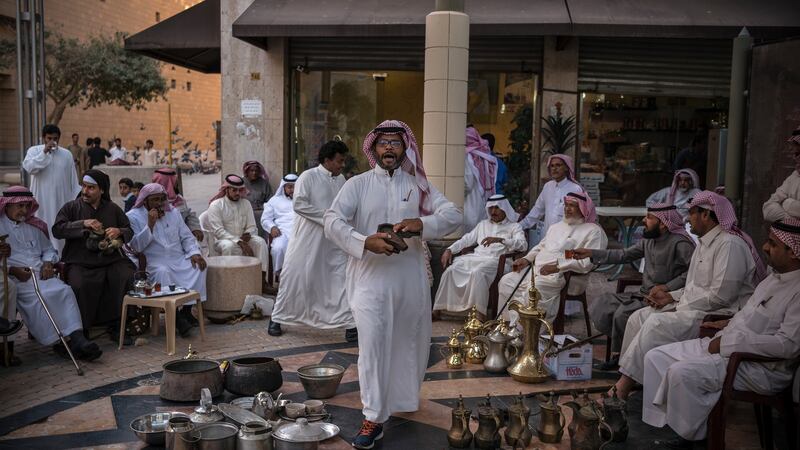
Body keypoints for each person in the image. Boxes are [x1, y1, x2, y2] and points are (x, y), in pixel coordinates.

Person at [324, 120, 462, 449]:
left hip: (409, 281)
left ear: (405, 148)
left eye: (395, 143)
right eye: (383, 143)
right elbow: (331, 220)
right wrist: (362, 241)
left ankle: (397, 401)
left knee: (407, 345)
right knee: (372, 348)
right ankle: (373, 416)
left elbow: (455, 214)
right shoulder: (357, 185)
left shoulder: (419, 186)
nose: (389, 148)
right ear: (372, 148)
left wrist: (423, 223)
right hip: (370, 281)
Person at [641, 218, 800, 447]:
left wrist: (731, 343)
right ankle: (669, 427)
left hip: (757, 366)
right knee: (656, 357)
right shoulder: (771, 280)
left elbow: (788, 345)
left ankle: (692, 438)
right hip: (724, 346)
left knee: (681, 373)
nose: (765, 248)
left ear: (793, 251)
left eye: (773, 244)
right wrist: (727, 323)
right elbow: (751, 315)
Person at [612, 191, 767, 400]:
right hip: (695, 307)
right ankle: (639, 381)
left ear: (706, 215)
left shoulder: (729, 244)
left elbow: (721, 297)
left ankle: (622, 387)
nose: (687, 218)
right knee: (637, 317)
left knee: (656, 324)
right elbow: (693, 286)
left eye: (692, 213)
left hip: (718, 314)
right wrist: (671, 296)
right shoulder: (703, 243)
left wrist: (679, 303)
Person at [574, 203, 694, 368]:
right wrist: (591, 253)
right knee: (603, 304)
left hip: (665, 299)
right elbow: (624, 254)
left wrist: (667, 287)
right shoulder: (649, 241)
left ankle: (621, 360)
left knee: (622, 314)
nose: (644, 220)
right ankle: (627, 351)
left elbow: (693, 273)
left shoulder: (681, 244)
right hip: (641, 295)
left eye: (649, 218)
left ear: (664, 224)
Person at [0, 186, 102, 362]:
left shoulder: (34, 227)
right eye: (20, 206)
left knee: (64, 291)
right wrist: (11, 270)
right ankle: (61, 341)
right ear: (7, 206)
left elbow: (49, 250)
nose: (24, 211)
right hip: (15, 279)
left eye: (27, 206)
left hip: (41, 274)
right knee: (43, 297)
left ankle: (77, 338)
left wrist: (48, 262)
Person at [268, 141, 355, 340]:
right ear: (327, 160)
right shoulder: (308, 177)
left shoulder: (340, 179)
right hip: (307, 238)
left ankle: (349, 325)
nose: (342, 165)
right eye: (340, 161)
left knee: (339, 278)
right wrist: (327, 217)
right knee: (295, 277)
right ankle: (278, 317)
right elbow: (299, 205)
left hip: (333, 239)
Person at [52, 169, 136, 342]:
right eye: (84, 186)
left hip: (110, 259)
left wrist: (118, 231)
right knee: (80, 283)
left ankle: (118, 326)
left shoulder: (112, 208)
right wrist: (83, 223)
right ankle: (81, 330)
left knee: (125, 275)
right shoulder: (71, 207)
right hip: (80, 260)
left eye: (91, 188)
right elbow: (57, 229)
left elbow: (129, 230)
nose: (85, 191)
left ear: (102, 190)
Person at [498, 192, 607, 323]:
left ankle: (530, 334)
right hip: (535, 272)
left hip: (563, 276)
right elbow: (541, 246)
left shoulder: (593, 231)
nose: (567, 209)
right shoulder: (556, 226)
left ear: (584, 208)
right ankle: (508, 326)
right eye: (566, 205)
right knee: (506, 281)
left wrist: (557, 267)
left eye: (573, 206)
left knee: (533, 291)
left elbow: (588, 262)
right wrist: (526, 259)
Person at [126, 183, 207, 337]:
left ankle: (188, 311)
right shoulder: (133, 216)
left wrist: (194, 253)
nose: (159, 203)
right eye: (155, 200)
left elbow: (186, 236)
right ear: (145, 201)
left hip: (177, 258)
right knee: (163, 272)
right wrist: (150, 224)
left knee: (198, 267)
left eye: (161, 199)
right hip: (154, 262)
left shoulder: (173, 212)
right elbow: (136, 246)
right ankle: (176, 317)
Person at [433, 194, 526, 317]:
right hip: (476, 258)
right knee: (451, 270)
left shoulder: (514, 227)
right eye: (490, 208)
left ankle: (479, 313)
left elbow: (523, 245)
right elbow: (466, 239)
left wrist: (501, 240)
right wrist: (450, 249)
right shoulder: (483, 224)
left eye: (496, 208)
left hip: (497, 261)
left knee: (478, 273)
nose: (493, 211)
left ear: (505, 209)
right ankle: (438, 309)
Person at [22, 124, 82, 254]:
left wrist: (73, 201)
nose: (52, 141)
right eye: (49, 138)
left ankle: (61, 260)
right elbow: (29, 168)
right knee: (41, 229)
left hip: (61, 201)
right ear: (43, 137)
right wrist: (44, 152)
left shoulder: (66, 154)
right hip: (41, 201)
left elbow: (73, 179)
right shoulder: (34, 151)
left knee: (60, 231)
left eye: (55, 138)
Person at [206, 174, 270, 275]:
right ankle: (230, 278)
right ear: (226, 189)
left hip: (244, 239)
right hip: (223, 240)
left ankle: (261, 278)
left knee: (261, 242)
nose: (238, 193)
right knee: (229, 246)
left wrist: (248, 234)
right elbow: (218, 231)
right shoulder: (216, 205)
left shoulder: (246, 203)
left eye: (240, 190)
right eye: (234, 190)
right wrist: (239, 242)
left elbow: (252, 226)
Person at [518, 154, 584, 237]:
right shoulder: (548, 187)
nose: (554, 168)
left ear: (566, 168)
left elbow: (580, 217)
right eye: (552, 166)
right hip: (548, 237)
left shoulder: (575, 189)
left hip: (567, 238)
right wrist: (519, 226)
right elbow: (537, 211)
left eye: (558, 165)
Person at [260, 174, 297, 279]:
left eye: (294, 187)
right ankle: (280, 276)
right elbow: (265, 219)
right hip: (282, 232)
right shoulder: (274, 201)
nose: (292, 190)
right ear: (283, 187)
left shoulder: (303, 199)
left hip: (300, 232)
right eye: (289, 187)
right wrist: (272, 227)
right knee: (278, 248)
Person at [151, 168, 203, 241]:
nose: (176, 183)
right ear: (167, 182)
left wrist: (195, 228)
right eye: (174, 180)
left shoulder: (179, 199)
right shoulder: (152, 203)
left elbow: (188, 215)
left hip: (183, 238)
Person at [763, 125, 800, 222]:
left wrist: (786, 203)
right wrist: (793, 221)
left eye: (798, 153)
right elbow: (767, 209)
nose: (795, 158)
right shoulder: (795, 175)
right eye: (795, 154)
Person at [464, 126, 497, 232]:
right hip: (484, 205)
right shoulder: (486, 155)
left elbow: (467, 184)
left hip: (470, 207)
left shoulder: (467, 156)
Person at [242, 161, 273, 238]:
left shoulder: (264, 183)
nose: (254, 173)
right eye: (251, 171)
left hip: (261, 211)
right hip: (244, 212)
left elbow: (270, 201)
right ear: (247, 171)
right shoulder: (241, 182)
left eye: (256, 171)